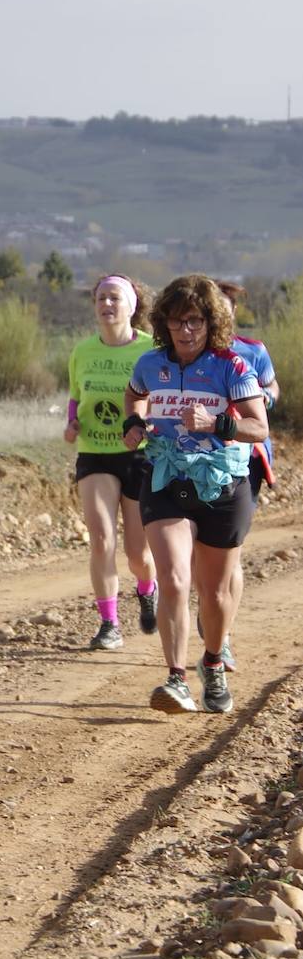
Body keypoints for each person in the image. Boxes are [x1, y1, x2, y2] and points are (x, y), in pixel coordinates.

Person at [123, 275, 268, 714]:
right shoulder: (150, 364)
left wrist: (216, 424)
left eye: (195, 321)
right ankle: (175, 678)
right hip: (167, 477)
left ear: (210, 323)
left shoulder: (232, 366)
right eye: (177, 321)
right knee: (172, 578)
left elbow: (259, 427)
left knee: (215, 592)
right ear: (162, 322)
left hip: (223, 483)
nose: (186, 331)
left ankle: (213, 662)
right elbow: (134, 397)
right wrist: (133, 424)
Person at [64, 274, 157, 650]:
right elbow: (75, 396)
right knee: (101, 538)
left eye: (114, 298)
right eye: (101, 298)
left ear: (131, 306)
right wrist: (70, 423)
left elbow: (163, 397)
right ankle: (108, 624)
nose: (106, 305)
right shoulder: (82, 351)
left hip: (139, 455)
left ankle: (147, 590)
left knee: (138, 552)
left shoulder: (151, 350)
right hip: (94, 453)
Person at [193, 281, 281, 671]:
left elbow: (271, 385)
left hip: (245, 459)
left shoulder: (252, 350)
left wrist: (267, 398)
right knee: (198, 555)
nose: (220, 314)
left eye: (225, 307)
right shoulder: (185, 352)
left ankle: (222, 636)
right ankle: (211, 607)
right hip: (191, 462)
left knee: (232, 555)